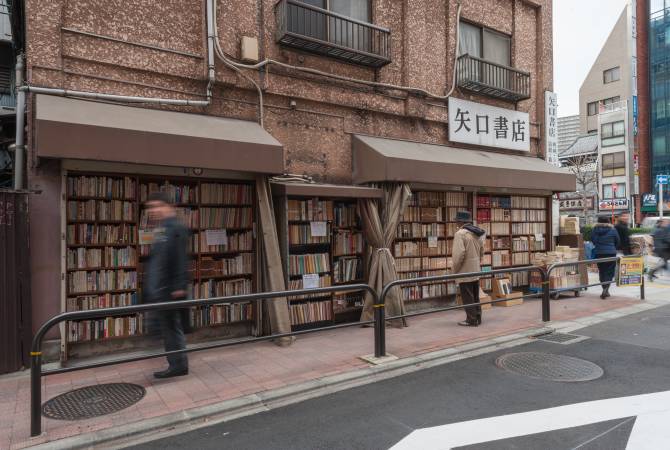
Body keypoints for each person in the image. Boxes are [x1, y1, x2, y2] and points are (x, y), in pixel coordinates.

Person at [143, 191, 190, 379]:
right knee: (168, 327)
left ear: (169, 207)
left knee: (171, 328)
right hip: (162, 289)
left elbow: (180, 258)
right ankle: (177, 363)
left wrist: (179, 286)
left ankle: (178, 365)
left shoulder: (176, 228)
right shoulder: (163, 229)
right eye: (150, 207)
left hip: (170, 290)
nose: (153, 211)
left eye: (156, 206)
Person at [452, 211, 486, 327]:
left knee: (467, 296)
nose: (456, 222)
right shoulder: (477, 232)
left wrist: (455, 270)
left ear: (461, 221)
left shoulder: (460, 234)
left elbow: (458, 255)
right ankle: (478, 317)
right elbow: (482, 251)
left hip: (465, 270)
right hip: (475, 268)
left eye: (457, 220)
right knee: (475, 295)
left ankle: (471, 320)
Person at [590, 216, 620, 299]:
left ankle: (604, 289)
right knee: (609, 271)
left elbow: (593, 240)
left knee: (602, 271)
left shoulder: (594, 230)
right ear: (608, 222)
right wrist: (612, 247)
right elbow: (618, 241)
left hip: (599, 252)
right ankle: (606, 289)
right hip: (611, 253)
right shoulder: (613, 230)